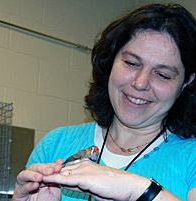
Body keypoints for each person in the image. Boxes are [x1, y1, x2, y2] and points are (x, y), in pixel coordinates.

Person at [13, 3, 196, 201]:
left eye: (162, 74)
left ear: (187, 82)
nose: (140, 83)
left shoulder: (190, 157)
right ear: (111, 61)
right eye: (131, 63)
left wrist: (137, 190)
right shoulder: (55, 144)